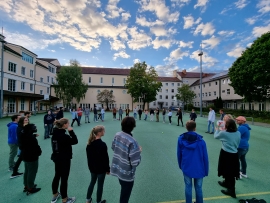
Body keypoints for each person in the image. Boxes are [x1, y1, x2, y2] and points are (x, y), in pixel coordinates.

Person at [111, 117, 142, 203]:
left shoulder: (117, 134)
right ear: (133, 126)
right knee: (125, 197)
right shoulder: (133, 141)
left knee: (123, 191)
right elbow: (135, 162)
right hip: (127, 174)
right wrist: (139, 152)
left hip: (118, 169)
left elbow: (113, 147)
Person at [177, 120, 209, 203]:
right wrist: (206, 170)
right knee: (198, 187)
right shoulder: (201, 141)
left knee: (188, 186)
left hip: (186, 166)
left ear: (186, 128)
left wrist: (181, 165)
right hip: (199, 167)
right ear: (195, 128)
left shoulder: (181, 139)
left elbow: (179, 154)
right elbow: (205, 157)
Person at [51, 118, 78, 203]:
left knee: (57, 175)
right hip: (64, 159)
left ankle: (55, 194)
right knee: (64, 178)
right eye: (68, 123)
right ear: (64, 125)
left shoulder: (54, 134)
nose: (69, 124)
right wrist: (71, 132)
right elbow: (75, 141)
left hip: (56, 157)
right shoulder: (64, 136)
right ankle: (65, 199)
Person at [214, 119, 241, 198]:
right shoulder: (238, 132)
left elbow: (216, 136)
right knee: (230, 172)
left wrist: (217, 130)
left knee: (229, 173)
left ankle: (231, 190)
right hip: (234, 154)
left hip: (226, 154)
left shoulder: (224, 133)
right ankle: (226, 183)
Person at [18, 116, 42, 195]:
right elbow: (34, 146)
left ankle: (26, 185)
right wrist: (39, 151)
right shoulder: (29, 137)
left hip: (25, 155)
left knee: (27, 170)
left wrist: (33, 135)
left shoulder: (23, 133)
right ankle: (30, 187)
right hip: (31, 156)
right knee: (32, 171)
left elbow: (24, 140)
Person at [86, 126, 110, 203]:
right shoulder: (102, 144)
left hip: (92, 168)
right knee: (100, 185)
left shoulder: (89, 144)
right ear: (99, 133)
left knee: (92, 182)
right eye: (103, 131)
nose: (104, 132)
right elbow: (105, 159)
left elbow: (89, 158)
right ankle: (98, 201)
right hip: (101, 169)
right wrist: (107, 169)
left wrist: (90, 167)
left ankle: (88, 199)